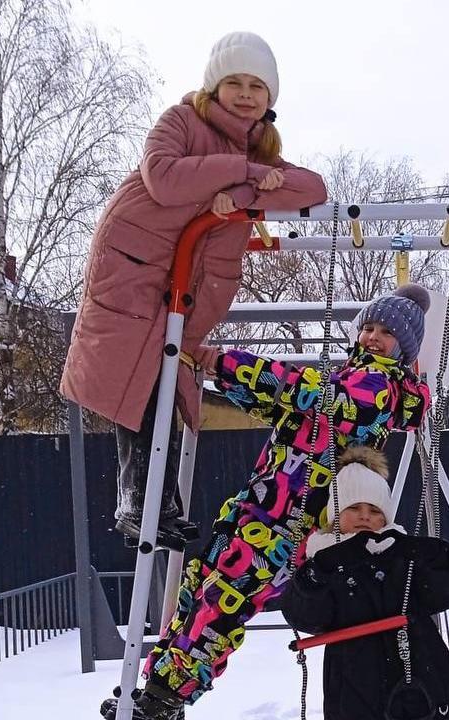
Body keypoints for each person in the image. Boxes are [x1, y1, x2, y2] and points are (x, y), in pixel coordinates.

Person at [100, 285, 431, 720]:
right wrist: (224, 378)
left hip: (288, 528)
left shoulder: (378, 389)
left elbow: (304, 391)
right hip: (258, 510)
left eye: (385, 332)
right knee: (200, 590)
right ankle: (161, 684)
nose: (371, 336)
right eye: (367, 326)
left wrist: (226, 362)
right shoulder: (348, 378)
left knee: (222, 604)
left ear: (402, 348)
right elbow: (285, 407)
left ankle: (166, 697)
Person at [60, 31, 328, 551]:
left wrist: (244, 190)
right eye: (234, 83)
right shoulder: (182, 121)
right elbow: (162, 178)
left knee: (165, 376)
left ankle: (156, 503)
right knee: (142, 382)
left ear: (270, 98)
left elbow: (312, 188)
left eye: (257, 86)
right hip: (136, 266)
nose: (246, 94)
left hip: (181, 278)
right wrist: (243, 175)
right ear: (214, 87)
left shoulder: (262, 148)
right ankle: (137, 502)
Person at [280, 446, 449, 720]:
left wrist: (435, 556)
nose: (365, 516)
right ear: (335, 514)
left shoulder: (401, 553)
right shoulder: (325, 560)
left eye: (374, 509)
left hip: (420, 668)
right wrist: (319, 573)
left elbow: (445, 590)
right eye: (354, 508)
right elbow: (304, 615)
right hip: (355, 678)